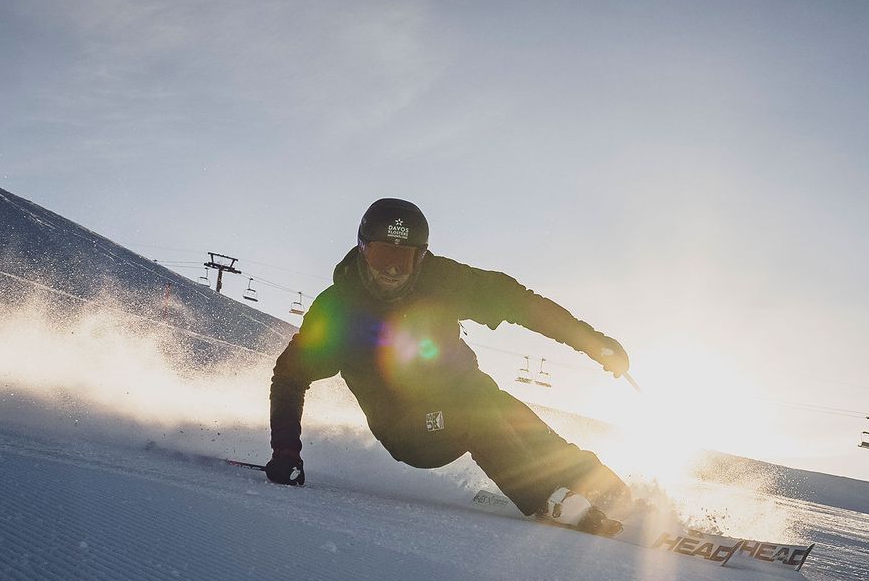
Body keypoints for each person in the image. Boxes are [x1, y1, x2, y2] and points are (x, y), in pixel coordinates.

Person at [265, 198, 635, 534]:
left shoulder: (442, 280)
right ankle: (547, 500)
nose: (393, 271)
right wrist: (286, 452)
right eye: (381, 257)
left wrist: (593, 343)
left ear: (421, 257)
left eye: (405, 259)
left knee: (512, 414)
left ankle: (608, 489)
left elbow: (518, 302)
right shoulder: (338, 311)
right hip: (405, 427)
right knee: (474, 415)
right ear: (363, 250)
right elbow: (289, 377)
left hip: (469, 393)